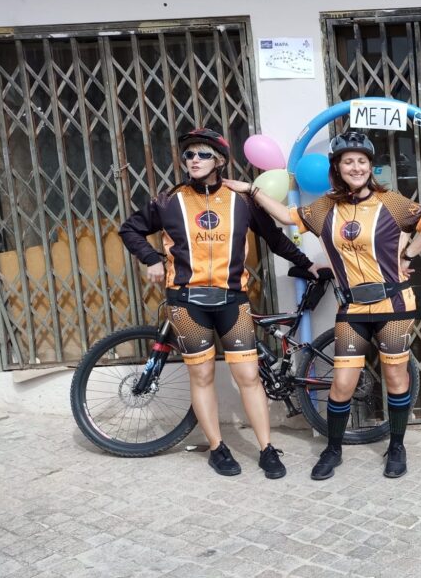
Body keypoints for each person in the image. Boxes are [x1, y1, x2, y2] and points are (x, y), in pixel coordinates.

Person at [224, 130, 421, 480]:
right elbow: (287, 217)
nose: (356, 167)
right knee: (342, 382)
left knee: (394, 375)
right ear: (337, 168)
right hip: (353, 308)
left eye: (362, 161)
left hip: (394, 304)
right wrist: (252, 190)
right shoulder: (326, 206)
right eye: (348, 162)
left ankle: (396, 446)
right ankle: (333, 449)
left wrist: (408, 253)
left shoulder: (389, 201)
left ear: (370, 166)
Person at [119, 127, 317, 479]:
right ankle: (217, 448)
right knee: (202, 374)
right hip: (186, 301)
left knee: (249, 376)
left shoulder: (242, 201)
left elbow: (274, 239)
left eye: (203, 154)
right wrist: (151, 259)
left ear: (220, 161)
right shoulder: (169, 201)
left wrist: (307, 264)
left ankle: (266, 449)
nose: (194, 160)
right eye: (189, 154)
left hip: (232, 301)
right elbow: (129, 229)